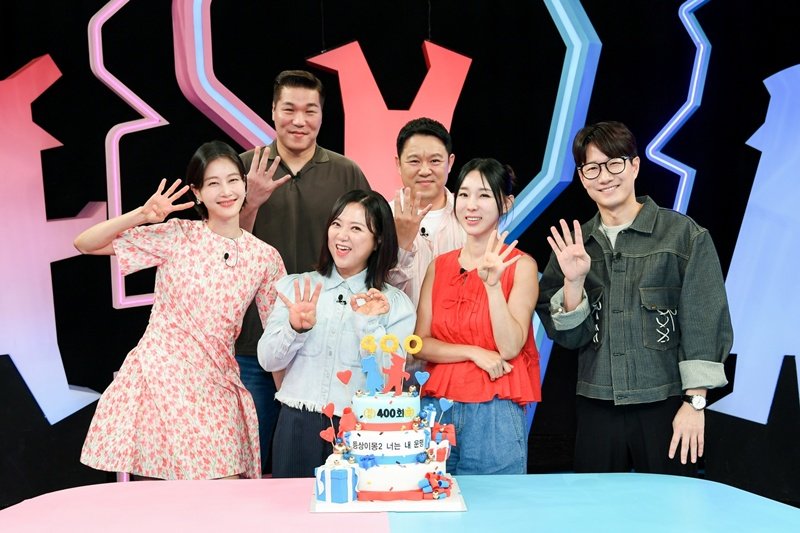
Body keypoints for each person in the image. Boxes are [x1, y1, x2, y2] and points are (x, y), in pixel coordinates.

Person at [77, 141, 286, 479]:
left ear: (245, 184)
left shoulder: (265, 257)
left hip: (218, 385)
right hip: (164, 381)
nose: (226, 191)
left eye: (233, 180)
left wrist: (289, 398)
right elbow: (86, 244)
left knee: (227, 489)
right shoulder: (177, 235)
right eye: (213, 183)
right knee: (171, 500)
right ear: (197, 192)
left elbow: (278, 337)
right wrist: (141, 215)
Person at [536, 121, 733, 475]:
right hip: (596, 405)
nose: (604, 176)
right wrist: (574, 282)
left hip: (665, 403)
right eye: (592, 168)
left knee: (669, 504)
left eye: (614, 163)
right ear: (582, 177)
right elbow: (568, 338)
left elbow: (705, 321)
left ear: (635, 166)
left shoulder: (684, 236)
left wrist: (695, 403)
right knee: (597, 504)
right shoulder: (574, 246)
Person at [234, 70, 371, 475]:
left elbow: (370, 240)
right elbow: (218, 249)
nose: (299, 120)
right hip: (254, 341)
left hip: (326, 347)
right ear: (273, 111)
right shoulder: (244, 167)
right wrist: (251, 202)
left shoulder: (346, 172)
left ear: (322, 115)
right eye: (289, 109)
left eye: (310, 111)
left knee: (321, 466)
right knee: (251, 463)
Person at [257, 189, 416, 478]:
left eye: (356, 228)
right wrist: (295, 329)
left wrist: (368, 325)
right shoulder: (298, 287)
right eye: (337, 224)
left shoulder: (393, 304)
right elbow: (268, 361)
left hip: (360, 430)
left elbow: (388, 383)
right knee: (291, 507)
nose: (342, 236)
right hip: (296, 425)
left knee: (354, 507)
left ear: (379, 240)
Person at [413, 158, 541, 475]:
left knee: (497, 503)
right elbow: (419, 344)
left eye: (483, 195)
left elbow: (510, 347)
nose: (471, 205)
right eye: (464, 194)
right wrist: (474, 352)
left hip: (494, 412)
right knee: (433, 500)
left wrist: (493, 286)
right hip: (437, 410)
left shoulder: (522, 266)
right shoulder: (439, 266)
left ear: (506, 203)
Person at [387, 117, 465, 308]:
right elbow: (376, 292)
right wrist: (402, 245)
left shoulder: (470, 215)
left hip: (459, 327)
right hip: (401, 327)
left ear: (450, 162)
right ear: (398, 164)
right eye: (414, 161)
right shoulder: (381, 217)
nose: (424, 170)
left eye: (435, 161)